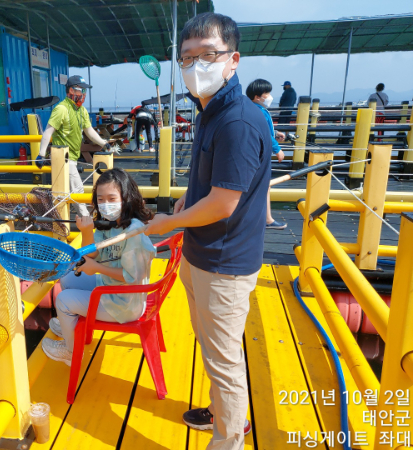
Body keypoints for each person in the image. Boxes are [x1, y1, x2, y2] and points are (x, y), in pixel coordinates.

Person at [146, 12, 272, 450]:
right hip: (202, 254)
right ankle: (224, 414)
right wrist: (187, 198)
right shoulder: (209, 110)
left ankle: (228, 439)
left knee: (223, 361)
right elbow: (213, 183)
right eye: (186, 58)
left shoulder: (237, 121)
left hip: (224, 264)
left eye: (207, 55)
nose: (195, 66)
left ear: (232, 60)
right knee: (212, 347)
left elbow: (223, 204)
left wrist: (169, 222)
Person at [42, 168, 156, 365]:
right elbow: (93, 253)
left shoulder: (134, 232)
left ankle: (71, 352)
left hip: (125, 304)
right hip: (111, 288)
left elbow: (133, 278)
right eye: (101, 200)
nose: (106, 205)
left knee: (63, 301)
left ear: (126, 198)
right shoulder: (110, 223)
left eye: (112, 199)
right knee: (67, 278)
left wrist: (97, 268)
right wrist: (86, 231)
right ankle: (71, 328)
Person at [36, 75, 112, 216]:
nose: (84, 94)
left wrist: (104, 143)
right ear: (71, 90)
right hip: (63, 158)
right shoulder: (61, 109)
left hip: (73, 157)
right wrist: (41, 154)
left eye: (85, 91)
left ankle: (59, 219)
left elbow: (89, 131)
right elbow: (48, 131)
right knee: (77, 190)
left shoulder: (81, 110)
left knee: (63, 192)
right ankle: (86, 220)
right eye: (81, 90)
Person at [246, 79, 287, 230]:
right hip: (259, 154)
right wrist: (277, 149)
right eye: (267, 94)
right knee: (263, 185)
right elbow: (264, 133)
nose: (270, 97)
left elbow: (265, 130)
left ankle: (264, 218)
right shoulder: (259, 111)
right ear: (257, 97)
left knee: (259, 185)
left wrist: (276, 133)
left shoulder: (251, 108)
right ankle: (267, 219)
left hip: (254, 152)